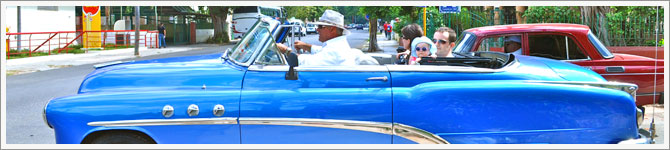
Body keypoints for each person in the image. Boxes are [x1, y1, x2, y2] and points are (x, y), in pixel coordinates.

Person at [276, 10, 358, 66]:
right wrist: (306, 46)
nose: (317, 29)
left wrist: (285, 50)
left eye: (320, 26)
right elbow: (322, 50)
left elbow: (302, 62)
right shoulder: (338, 45)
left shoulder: (334, 50)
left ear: (332, 29)